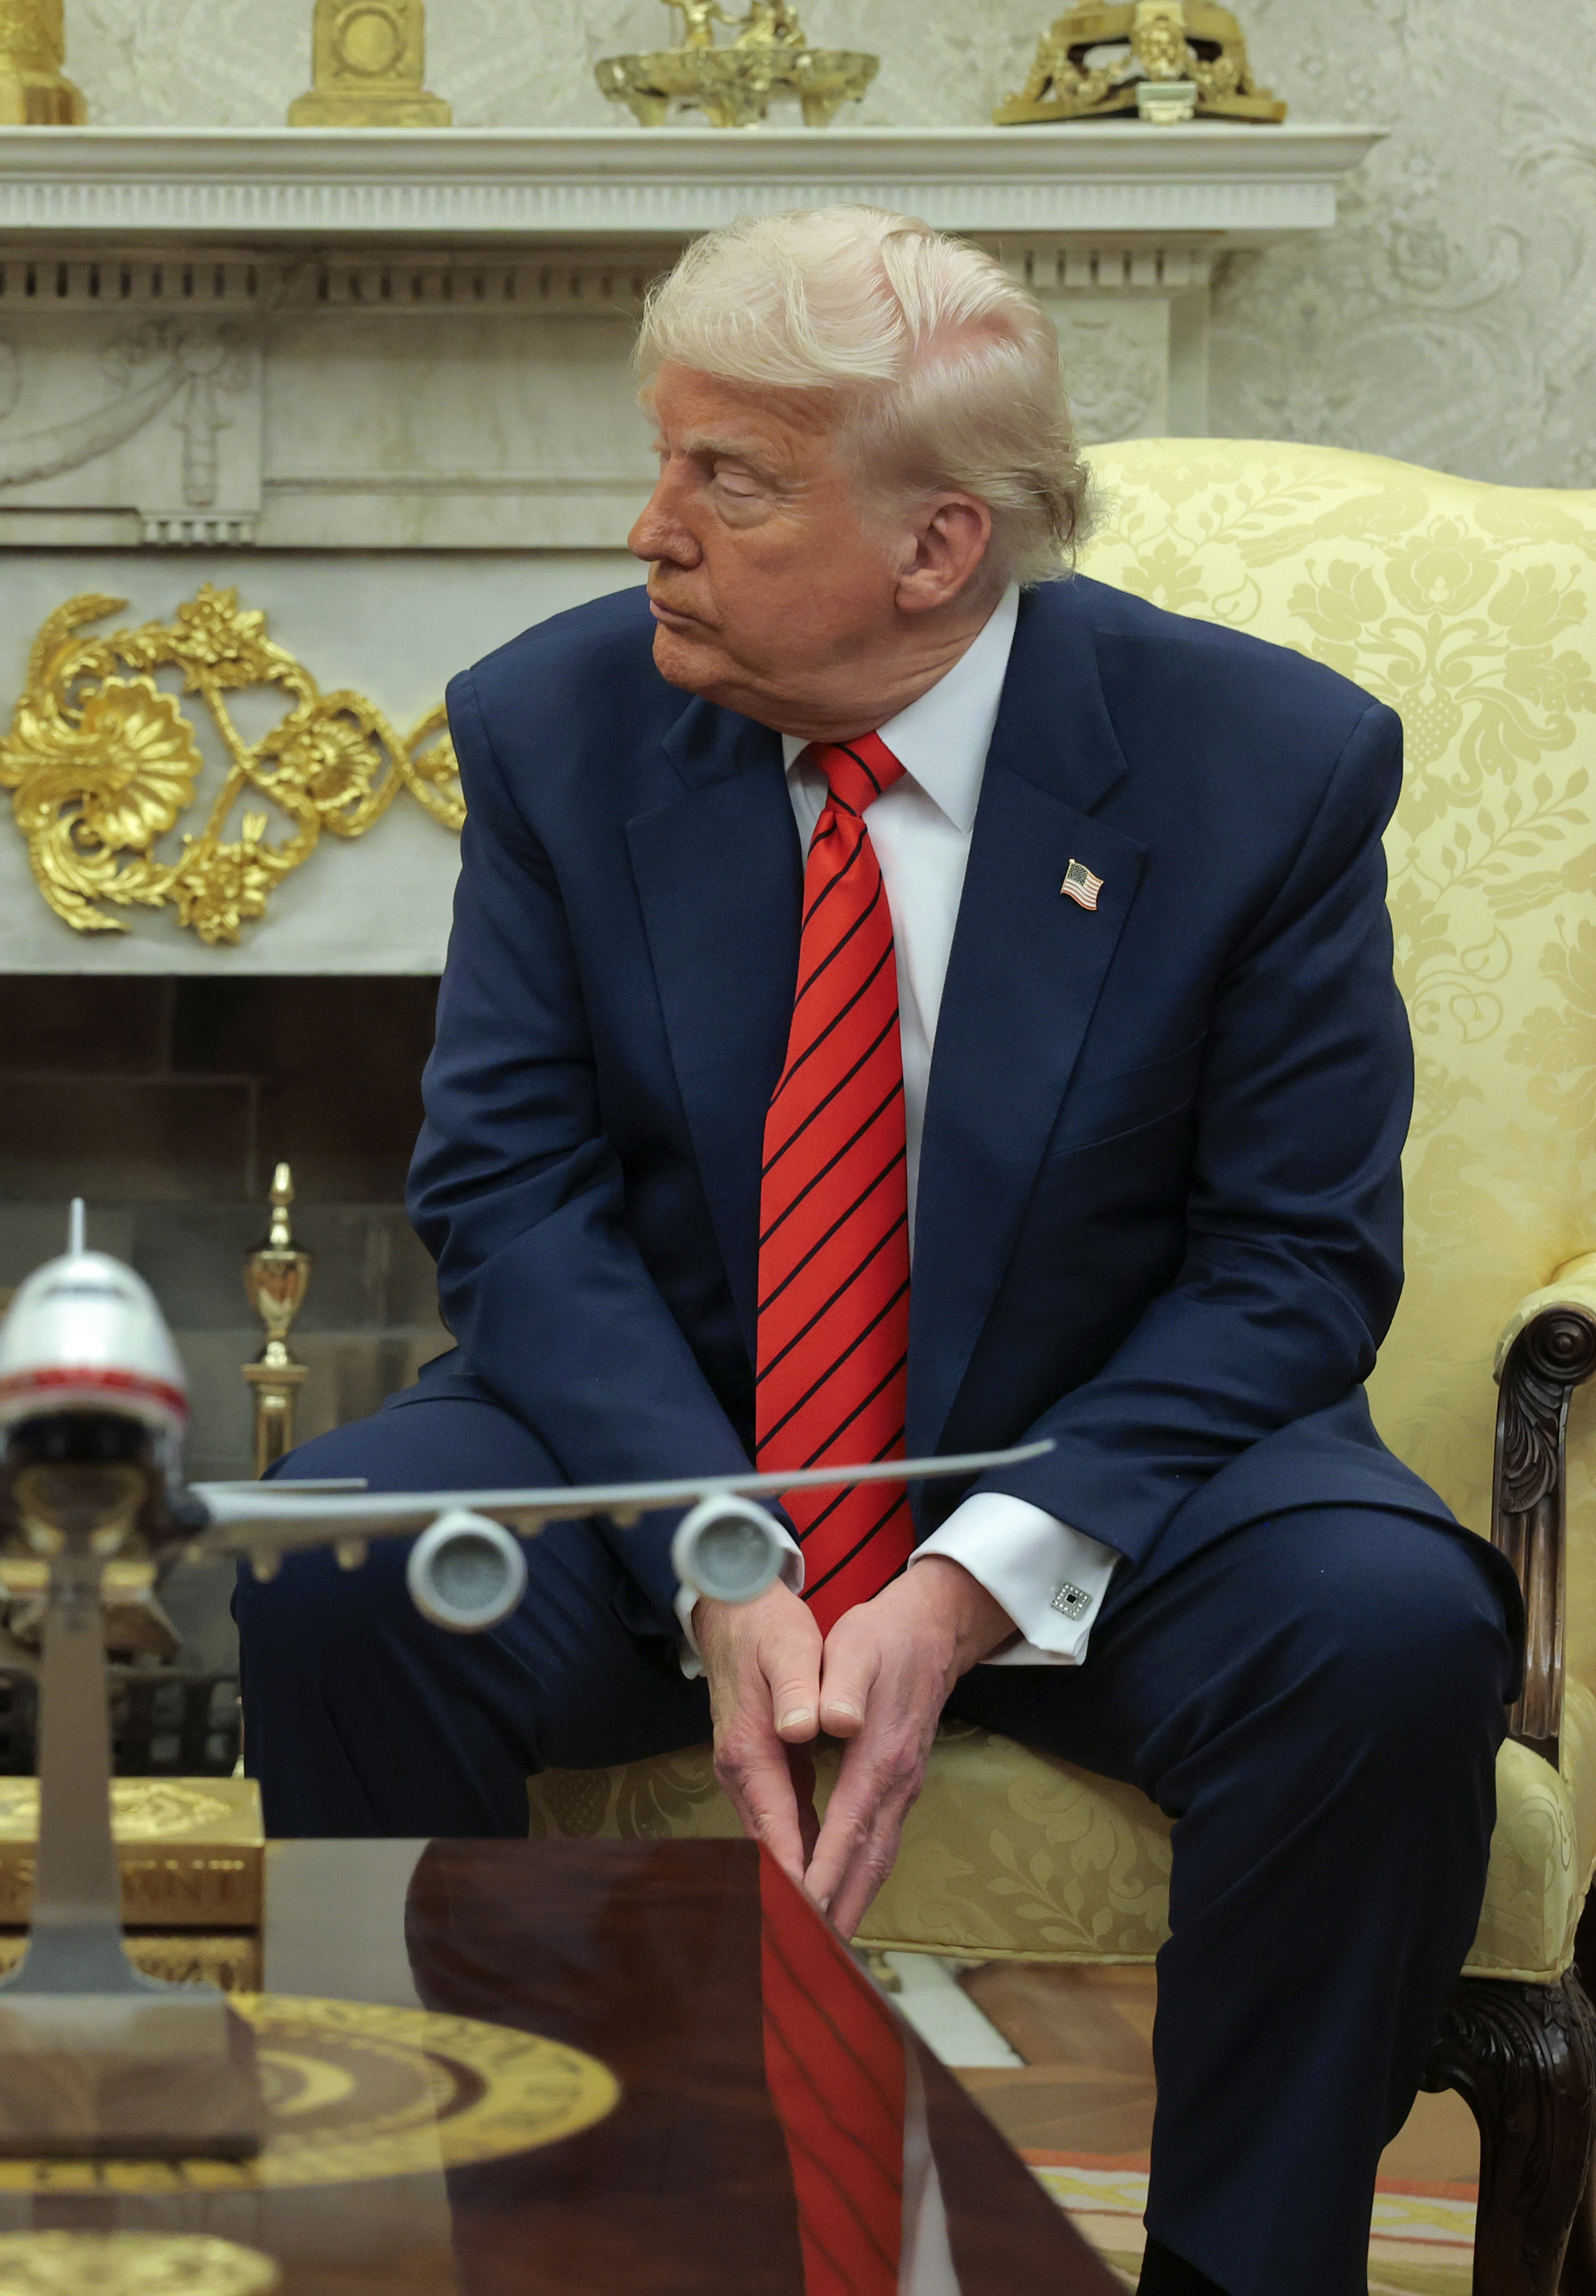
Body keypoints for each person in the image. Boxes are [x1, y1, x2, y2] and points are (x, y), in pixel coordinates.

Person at [234, 205, 1516, 2296]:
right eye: (663, 458)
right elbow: (510, 1190)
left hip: (1115, 1474)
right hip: (669, 1438)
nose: (649, 529)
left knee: (1385, 1634)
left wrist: (974, 1574)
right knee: (342, 1561)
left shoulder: (1264, 766)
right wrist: (723, 1544)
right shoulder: (559, 726)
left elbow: (1290, 1262)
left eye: (727, 481)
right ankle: (478, 2234)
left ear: (938, 545)